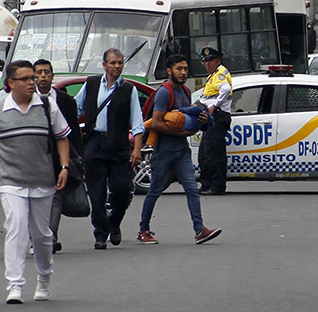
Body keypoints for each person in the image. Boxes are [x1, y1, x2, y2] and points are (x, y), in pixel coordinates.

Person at [0, 60, 71, 304]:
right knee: (16, 227)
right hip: (10, 180)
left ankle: (44, 278)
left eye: (33, 78)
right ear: (11, 83)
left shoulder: (47, 106)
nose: (33, 82)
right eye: (26, 79)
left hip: (42, 180)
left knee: (41, 235)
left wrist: (64, 167)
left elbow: (62, 138)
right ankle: (15, 285)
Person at [137, 54, 221, 246]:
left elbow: (187, 116)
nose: (183, 72)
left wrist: (202, 120)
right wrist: (182, 134)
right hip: (164, 151)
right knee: (155, 190)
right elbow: (156, 123)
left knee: (192, 189)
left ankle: (200, 230)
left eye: (185, 69)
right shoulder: (164, 92)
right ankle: (143, 230)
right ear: (169, 71)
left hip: (181, 152)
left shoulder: (185, 90)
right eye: (179, 69)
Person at [75, 48, 145, 249]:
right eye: (113, 63)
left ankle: (114, 222)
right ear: (104, 65)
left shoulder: (128, 89)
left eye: (120, 63)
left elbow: (137, 123)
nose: (117, 66)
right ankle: (101, 233)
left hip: (119, 145)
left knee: (122, 189)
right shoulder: (92, 84)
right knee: (96, 194)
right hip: (95, 143)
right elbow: (76, 108)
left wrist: (137, 149)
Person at [34, 59, 83, 254]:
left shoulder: (65, 100)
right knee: (37, 197)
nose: (43, 76)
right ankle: (36, 235)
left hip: (59, 156)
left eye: (47, 72)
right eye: (39, 72)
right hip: (35, 156)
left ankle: (51, 236)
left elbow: (73, 133)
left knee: (56, 195)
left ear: (53, 76)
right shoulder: (27, 100)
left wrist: (78, 159)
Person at [196, 47, 233, 195]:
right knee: (205, 152)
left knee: (214, 154)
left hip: (218, 116)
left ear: (218, 61)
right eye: (205, 61)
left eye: (211, 60)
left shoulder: (220, 74)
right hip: (212, 117)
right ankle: (206, 184)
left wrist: (214, 106)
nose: (207, 63)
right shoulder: (213, 75)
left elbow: (225, 89)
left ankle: (216, 186)